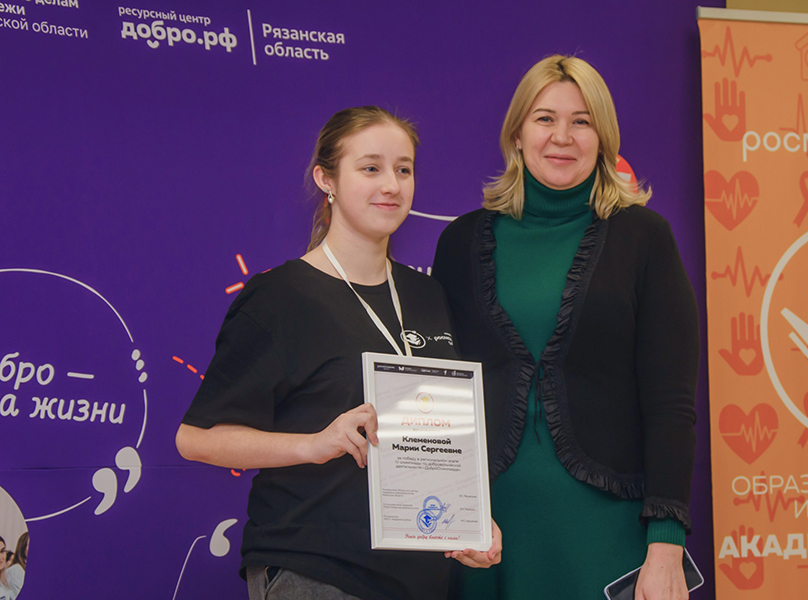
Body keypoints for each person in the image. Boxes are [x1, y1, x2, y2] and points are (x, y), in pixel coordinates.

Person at [176, 106, 500, 600]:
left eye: (404, 169)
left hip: (418, 578)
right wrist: (312, 444)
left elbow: (438, 436)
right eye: (370, 168)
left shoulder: (427, 295)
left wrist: (469, 519)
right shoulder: (280, 296)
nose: (391, 185)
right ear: (326, 179)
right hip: (318, 570)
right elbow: (196, 438)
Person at [432, 55, 699, 600]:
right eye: (545, 119)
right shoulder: (460, 242)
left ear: (603, 140)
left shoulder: (645, 237)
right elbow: (440, 393)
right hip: (489, 534)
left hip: (608, 530)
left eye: (582, 121)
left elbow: (671, 404)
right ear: (517, 134)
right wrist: (452, 508)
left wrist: (666, 544)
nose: (562, 136)